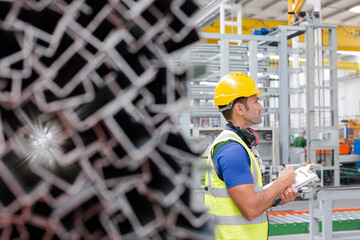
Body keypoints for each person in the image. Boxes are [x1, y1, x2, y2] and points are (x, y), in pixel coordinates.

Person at [204, 72, 298, 240]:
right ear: (239, 109)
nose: (260, 107)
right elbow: (251, 209)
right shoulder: (232, 150)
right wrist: (281, 182)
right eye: (255, 101)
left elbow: (247, 201)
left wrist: (277, 198)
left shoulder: (239, 144)